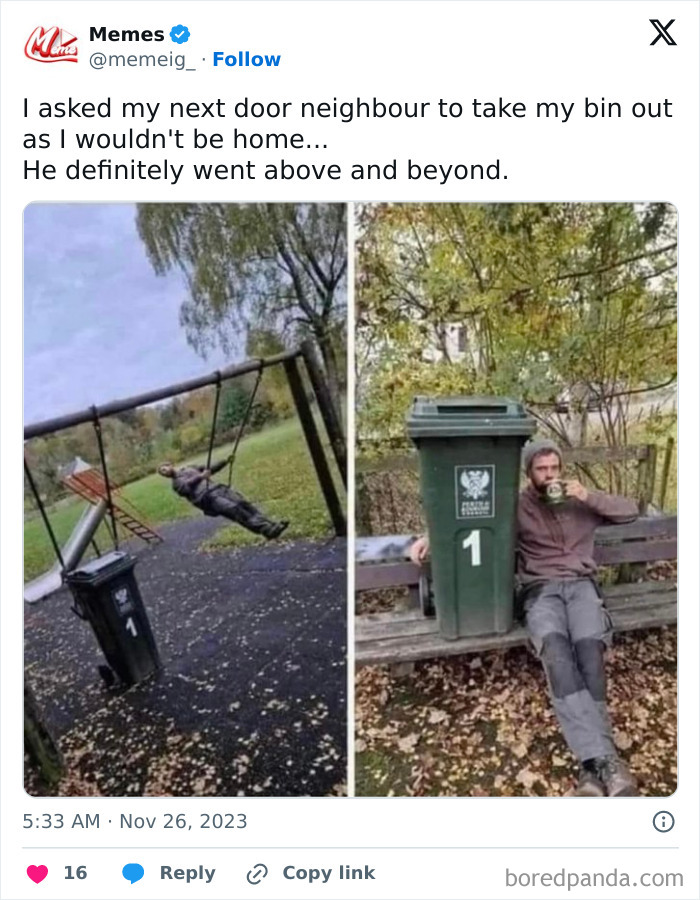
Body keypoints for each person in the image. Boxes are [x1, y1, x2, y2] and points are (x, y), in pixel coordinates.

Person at [410, 438, 639, 797]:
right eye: (541, 469)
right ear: (528, 472)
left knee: (591, 656)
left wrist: (588, 496)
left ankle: (590, 772)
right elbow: (473, 520)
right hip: (541, 592)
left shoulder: (580, 499)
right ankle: (606, 762)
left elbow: (629, 511)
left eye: (554, 468)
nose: (549, 476)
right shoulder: (516, 504)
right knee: (558, 656)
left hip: (581, 588)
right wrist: (428, 538)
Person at [158, 455, 289, 540]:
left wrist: (225, 461)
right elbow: (186, 487)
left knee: (244, 504)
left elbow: (209, 469)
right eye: (162, 472)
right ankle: (265, 530)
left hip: (218, 488)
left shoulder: (189, 468)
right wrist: (201, 476)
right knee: (235, 509)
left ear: (170, 464)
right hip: (207, 498)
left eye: (165, 468)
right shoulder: (175, 485)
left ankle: (272, 525)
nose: (165, 472)